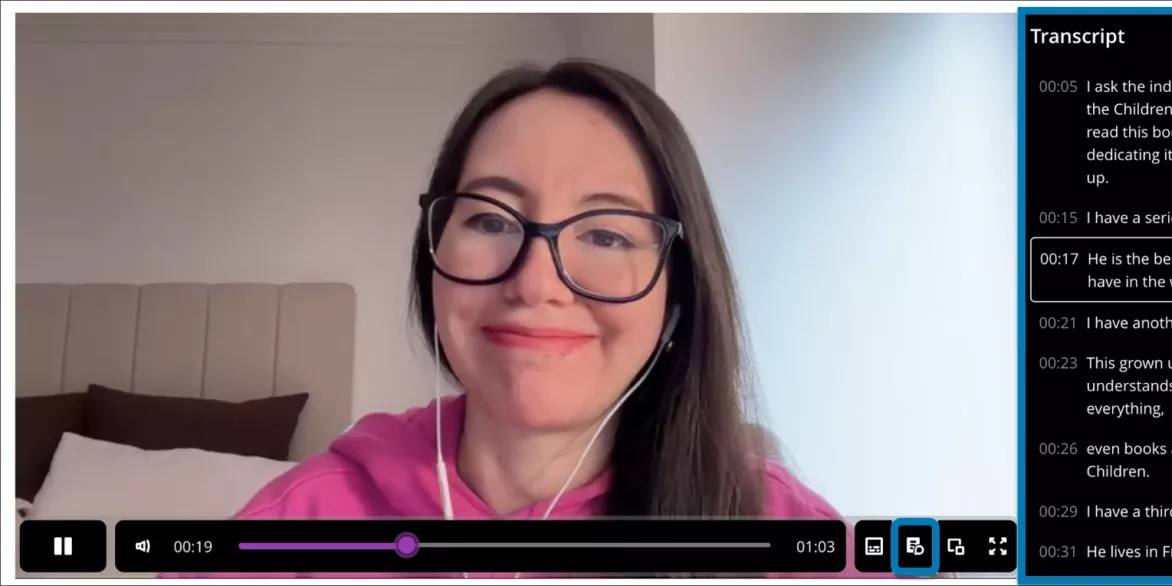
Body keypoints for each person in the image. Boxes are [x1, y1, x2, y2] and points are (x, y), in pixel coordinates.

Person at [171, 60, 881, 579]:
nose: (536, 282)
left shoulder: (774, 534)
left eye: (606, 234)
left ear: (679, 295)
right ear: (433, 259)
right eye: (489, 218)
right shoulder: (302, 529)